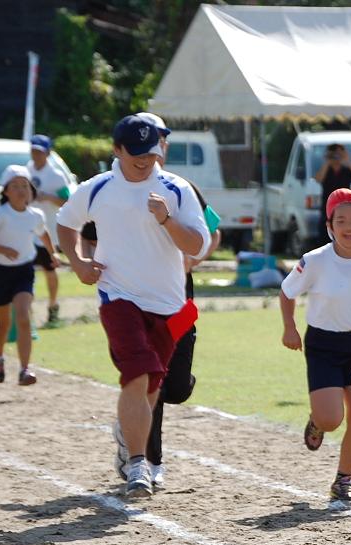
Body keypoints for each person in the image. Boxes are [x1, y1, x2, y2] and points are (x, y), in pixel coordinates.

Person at [56, 115, 210, 498]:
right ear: (117, 150)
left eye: (151, 151)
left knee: (153, 385)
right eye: (136, 152)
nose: (145, 159)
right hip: (117, 295)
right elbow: (65, 222)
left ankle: (128, 437)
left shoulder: (177, 189)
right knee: (139, 373)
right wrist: (77, 263)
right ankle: (138, 466)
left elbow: (198, 246)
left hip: (168, 301)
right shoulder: (98, 188)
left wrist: (167, 221)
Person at [113, 112, 220, 489]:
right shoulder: (116, 188)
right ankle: (150, 460)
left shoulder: (182, 188)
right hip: (136, 300)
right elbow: (91, 232)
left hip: (179, 299)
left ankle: (129, 426)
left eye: (162, 140)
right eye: (154, 139)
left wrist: (194, 257)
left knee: (175, 387)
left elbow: (213, 230)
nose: (158, 147)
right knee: (147, 376)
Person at [280, 188, 351, 501]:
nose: (349, 226)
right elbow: (287, 292)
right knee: (331, 418)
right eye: (341, 220)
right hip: (323, 344)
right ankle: (317, 419)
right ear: (330, 225)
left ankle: (343, 479)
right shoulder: (315, 261)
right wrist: (290, 328)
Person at [0, 165, 54, 386]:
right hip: (0, 272)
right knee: (2, 324)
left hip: (24, 270)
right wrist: (3, 250)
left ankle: (24, 370)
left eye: (24, 186)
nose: (21, 190)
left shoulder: (35, 215)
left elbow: (43, 233)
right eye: (15, 186)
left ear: (30, 190)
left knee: (22, 316)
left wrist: (53, 254)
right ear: (6, 191)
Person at [27, 134, 72, 326]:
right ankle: (26, 311)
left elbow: (67, 200)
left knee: (49, 270)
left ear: (47, 152)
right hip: (29, 229)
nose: (36, 154)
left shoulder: (56, 175)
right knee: (26, 270)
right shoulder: (27, 170)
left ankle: (53, 306)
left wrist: (48, 197)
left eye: (40, 151)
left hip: (49, 230)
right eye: (33, 150)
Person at [314, 143, 351, 240]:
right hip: (327, 210)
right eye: (334, 154)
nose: (336, 157)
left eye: (338, 154)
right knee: (325, 238)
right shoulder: (325, 170)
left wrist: (347, 160)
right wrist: (328, 162)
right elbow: (318, 179)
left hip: (344, 208)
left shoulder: (346, 170)